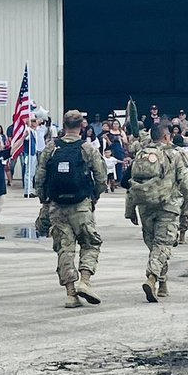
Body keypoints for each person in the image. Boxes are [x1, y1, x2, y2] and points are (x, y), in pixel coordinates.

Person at [36, 110, 108, 308]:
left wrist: (44, 200)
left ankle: (70, 294)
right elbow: (101, 177)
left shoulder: (51, 148)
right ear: (81, 126)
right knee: (90, 243)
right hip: (81, 204)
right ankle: (84, 280)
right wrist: (94, 196)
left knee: (64, 249)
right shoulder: (87, 148)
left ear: (64, 126)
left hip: (57, 205)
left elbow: (40, 177)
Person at [126, 123, 188, 300]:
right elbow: (187, 183)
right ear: (166, 137)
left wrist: (130, 209)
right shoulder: (176, 155)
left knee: (155, 246)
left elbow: (132, 182)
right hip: (168, 207)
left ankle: (163, 283)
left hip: (145, 207)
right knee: (163, 245)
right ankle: (152, 278)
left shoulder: (141, 154)